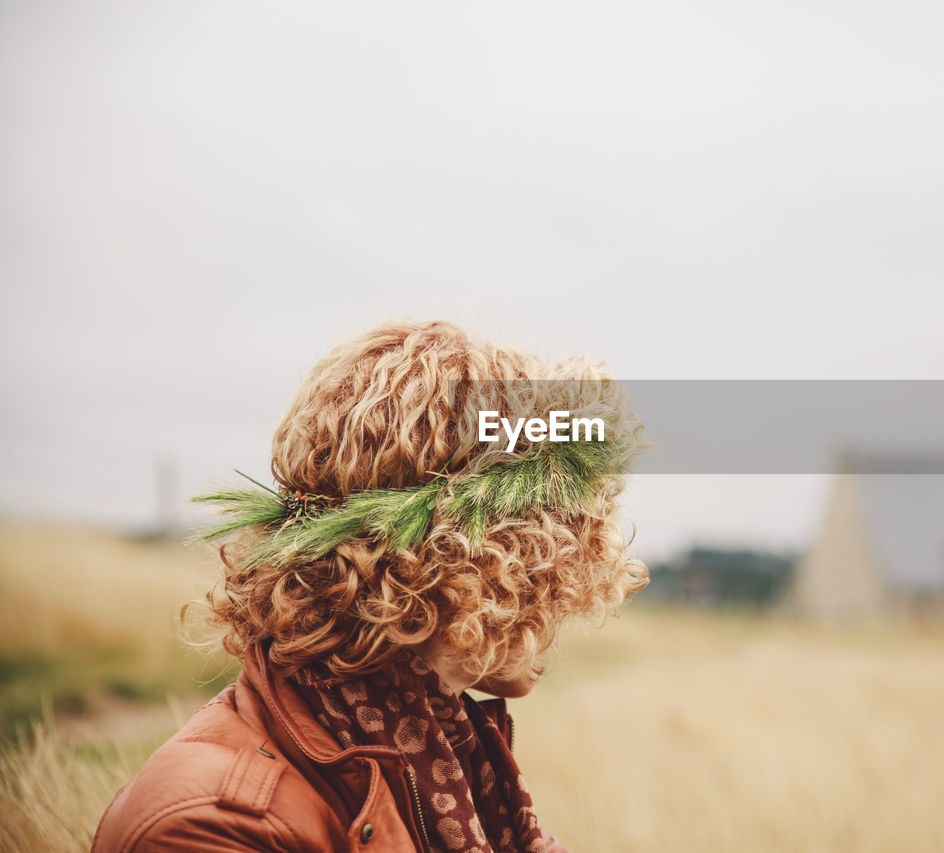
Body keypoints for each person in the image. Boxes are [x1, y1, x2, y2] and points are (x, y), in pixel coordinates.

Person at [93, 320, 648, 852]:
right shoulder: (210, 826)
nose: (565, 591)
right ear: (471, 565)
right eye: (555, 555)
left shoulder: (445, 753)